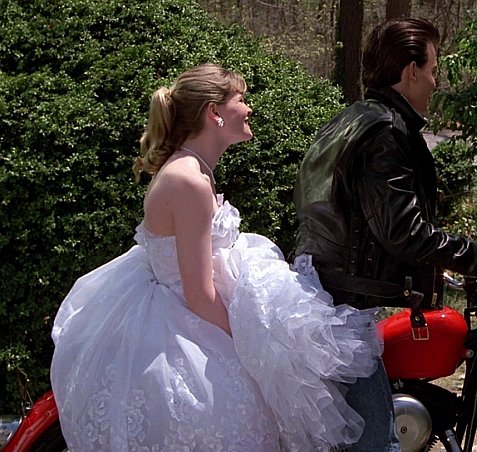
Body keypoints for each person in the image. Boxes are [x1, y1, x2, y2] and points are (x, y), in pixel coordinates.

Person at [50, 63, 381, 451]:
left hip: (191, 311)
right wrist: (250, 346)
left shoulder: (196, 171)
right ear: (214, 112)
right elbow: (198, 294)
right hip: (182, 325)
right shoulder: (188, 180)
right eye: (241, 99)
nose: (249, 108)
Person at [293, 18, 477, 451]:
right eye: (433, 70)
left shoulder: (352, 119)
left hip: (325, 298)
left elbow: (359, 218)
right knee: (378, 442)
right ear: (411, 71)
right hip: (341, 313)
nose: (435, 82)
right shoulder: (386, 132)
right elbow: (403, 231)